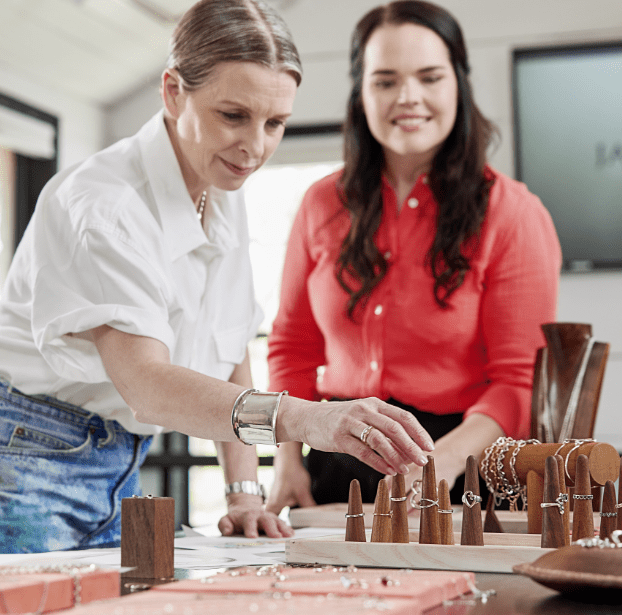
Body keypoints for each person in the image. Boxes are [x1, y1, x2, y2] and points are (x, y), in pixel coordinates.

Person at [0, 0, 435, 554]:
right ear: (173, 91)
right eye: (233, 116)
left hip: (118, 464)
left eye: (274, 123)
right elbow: (147, 386)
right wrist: (308, 420)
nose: (255, 147)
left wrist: (244, 494)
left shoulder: (217, 183)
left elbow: (232, 345)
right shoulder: (103, 205)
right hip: (27, 456)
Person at [265, 0, 562, 515]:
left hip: (459, 473)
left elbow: (518, 383)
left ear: (458, 85)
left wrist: (437, 465)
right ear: (361, 93)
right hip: (334, 470)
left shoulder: (513, 212)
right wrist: (287, 464)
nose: (409, 98)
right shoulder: (320, 203)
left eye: (429, 77)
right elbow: (292, 348)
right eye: (385, 81)